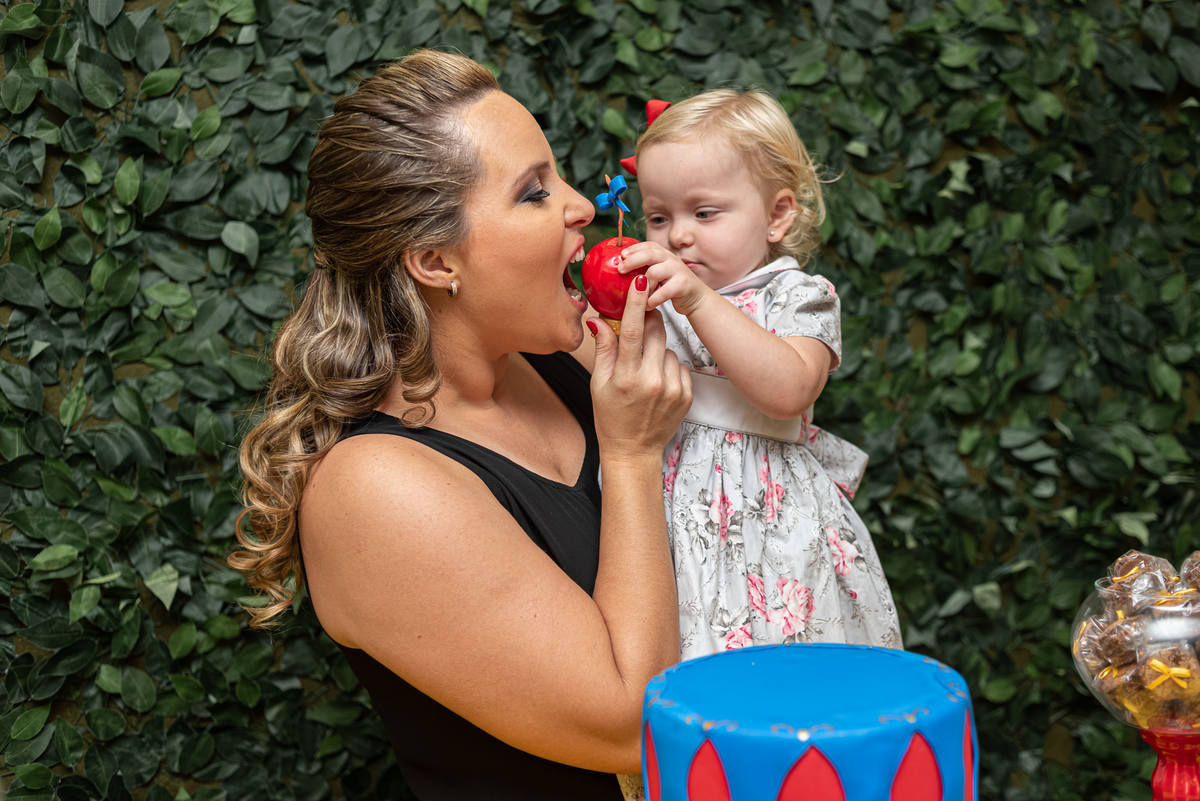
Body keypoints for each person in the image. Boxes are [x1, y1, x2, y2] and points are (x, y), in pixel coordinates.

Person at [232, 49, 692, 800]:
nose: (581, 206)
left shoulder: (566, 357)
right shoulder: (376, 491)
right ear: (435, 261)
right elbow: (637, 727)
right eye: (535, 193)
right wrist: (634, 453)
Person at [615, 89, 903, 661]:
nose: (677, 236)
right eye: (658, 217)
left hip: (766, 523)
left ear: (777, 215)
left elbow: (788, 390)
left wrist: (696, 299)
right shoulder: (653, 299)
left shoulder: (797, 296)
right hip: (666, 516)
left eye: (704, 213)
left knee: (781, 664)